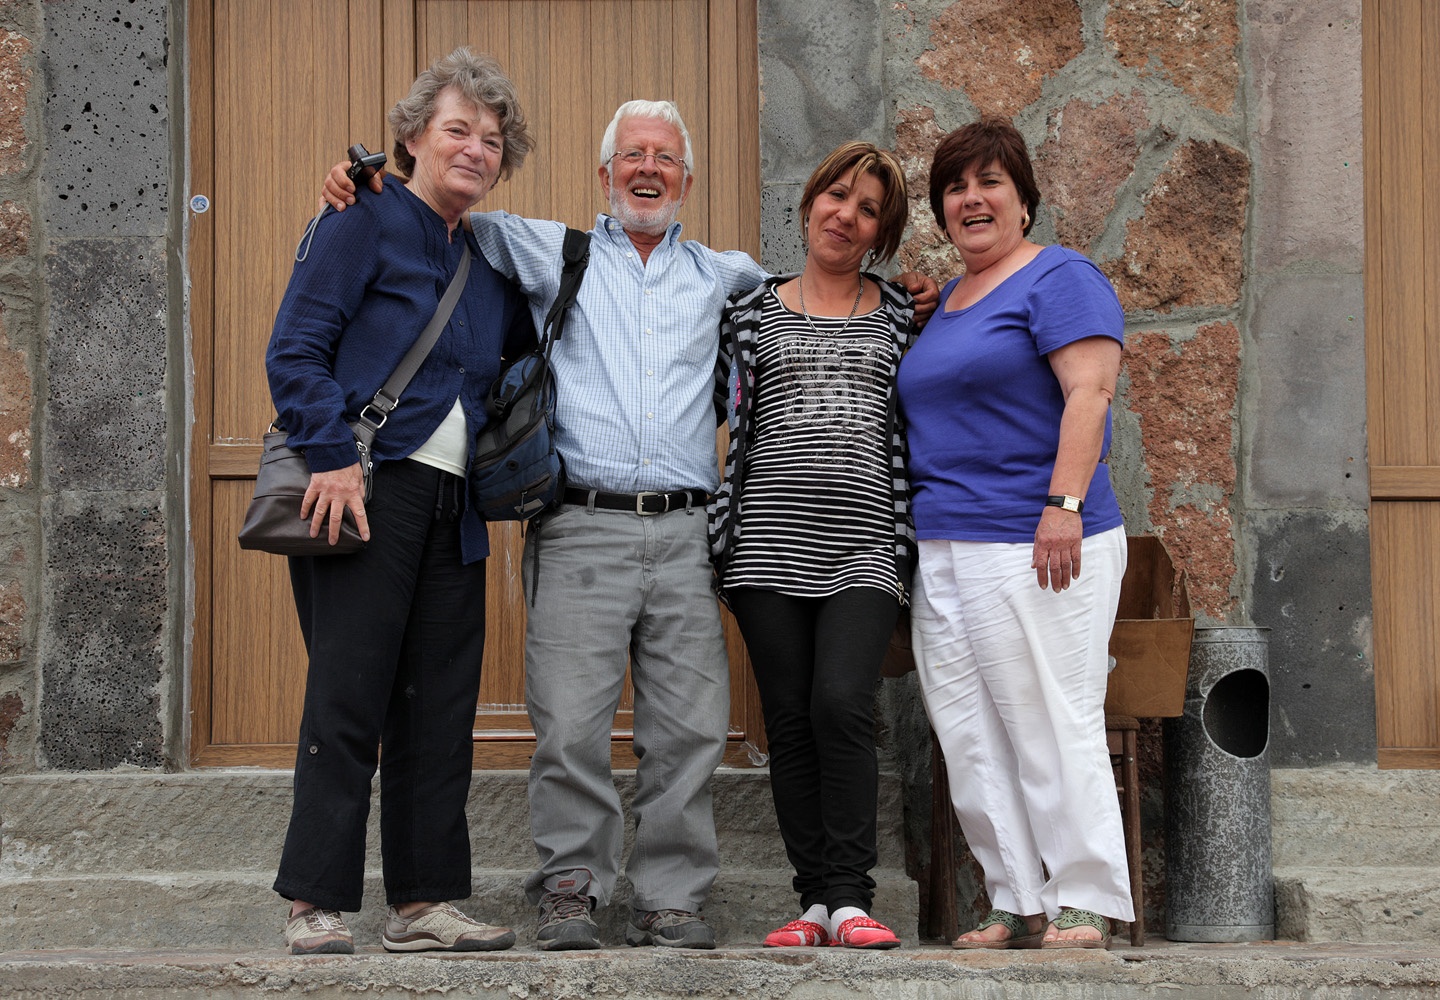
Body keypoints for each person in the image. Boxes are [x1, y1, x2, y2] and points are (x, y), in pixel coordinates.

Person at [321, 101, 937, 952]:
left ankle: (670, 899)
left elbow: (828, 304)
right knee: (571, 725)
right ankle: (570, 889)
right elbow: (442, 204)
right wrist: (373, 185)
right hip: (580, 526)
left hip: (688, 537)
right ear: (605, 174)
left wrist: (913, 297)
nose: (649, 170)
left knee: (685, 731)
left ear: (687, 180)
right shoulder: (543, 248)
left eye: (667, 159)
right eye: (632, 157)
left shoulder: (732, 279)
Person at [267, 48, 536, 956]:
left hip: (453, 508)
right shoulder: (362, 216)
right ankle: (315, 902)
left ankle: (424, 904)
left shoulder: (492, 263)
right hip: (360, 488)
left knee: (438, 707)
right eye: (457, 129)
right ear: (413, 137)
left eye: (491, 140)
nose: (474, 148)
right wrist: (329, 455)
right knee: (349, 695)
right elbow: (295, 349)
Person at [895, 117, 1132, 950]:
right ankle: (1014, 898)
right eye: (956, 188)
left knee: (1049, 715)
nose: (971, 199)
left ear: (1023, 199)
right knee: (968, 731)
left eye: (989, 182)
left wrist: (1062, 507)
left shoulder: (1060, 278)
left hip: (1039, 540)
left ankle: (1084, 895)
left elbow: (1090, 395)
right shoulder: (949, 302)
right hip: (948, 546)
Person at [708, 142, 915, 950]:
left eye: (868, 209)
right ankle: (814, 905)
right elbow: (716, 416)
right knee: (792, 721)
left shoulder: (902, 312)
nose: (846, 215)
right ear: (809, 203)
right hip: (763, 547)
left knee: (842, 703)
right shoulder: (749, 311)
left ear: (880, 233)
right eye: (837, 195)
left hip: (865, 542)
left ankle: (854, 896)